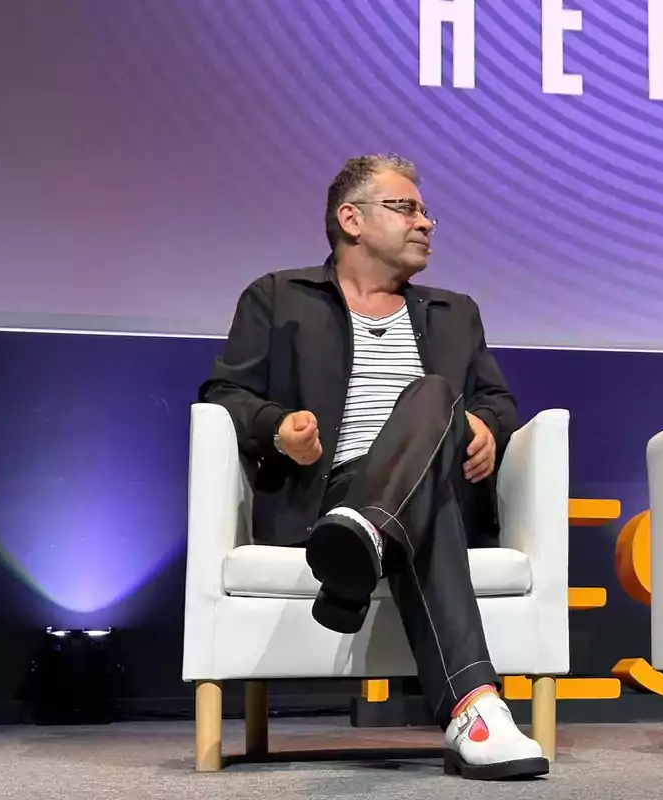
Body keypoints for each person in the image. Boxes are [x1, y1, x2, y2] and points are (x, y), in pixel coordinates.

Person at [198, 155, 547, 781]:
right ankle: (476, 710)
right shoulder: (278, 296)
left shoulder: (454, 311)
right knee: (433, 438)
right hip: (320, 499)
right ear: (350, 219)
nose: (426, 223)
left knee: (435, 395)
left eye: (425, 211)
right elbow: (225, 394)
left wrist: (489, 430)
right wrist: (276, 426)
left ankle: (365, 537)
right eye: (406, 208)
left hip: (422, 492)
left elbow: (497, 401)